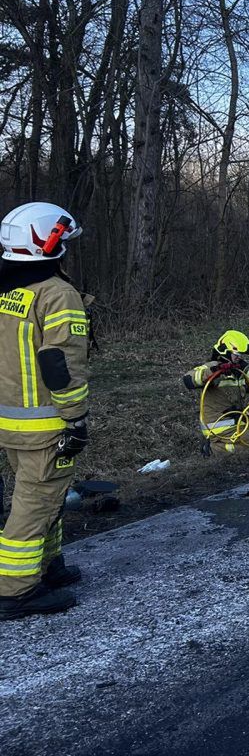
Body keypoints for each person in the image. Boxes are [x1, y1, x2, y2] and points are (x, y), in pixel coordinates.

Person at [0, 202, 89, 621]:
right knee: (35, 501)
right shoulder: (57, 293)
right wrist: (75, 417)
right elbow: (61, 363)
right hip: (45, 422)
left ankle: (47, 566)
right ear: (49, 244)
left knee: (45, 493)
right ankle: (15, 590)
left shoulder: (8, 288)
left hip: (10, 419)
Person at [182, 330, 249, 450]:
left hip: (236, 416)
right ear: (224, 351)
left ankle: (243, 435)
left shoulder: (240, 371)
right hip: (218, 423)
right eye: (236, 353)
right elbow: (189, 379)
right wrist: (215, 371)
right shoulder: (212, 367)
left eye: (240, 354)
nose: (239, 357)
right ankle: (214, 448)